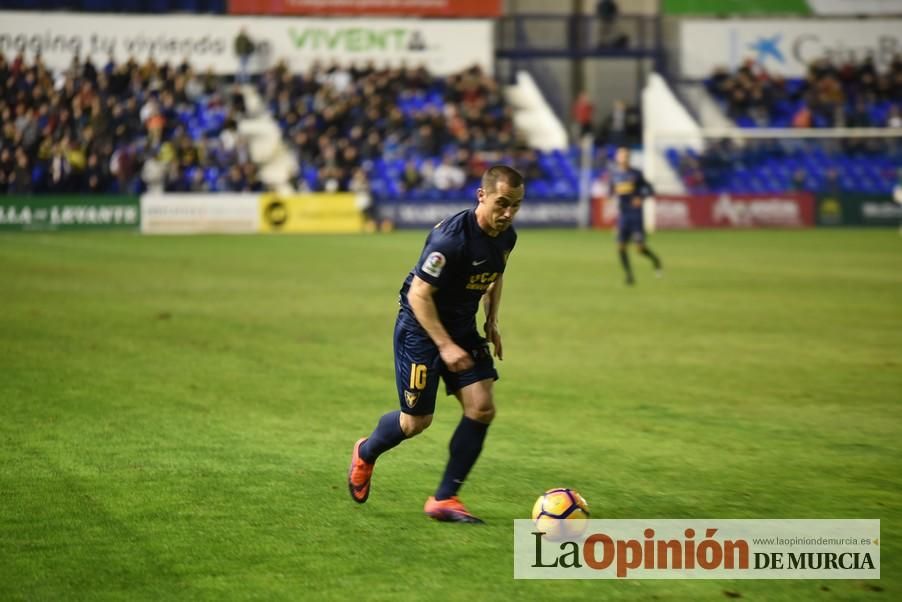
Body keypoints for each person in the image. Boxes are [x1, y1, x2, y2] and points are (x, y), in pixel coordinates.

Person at [347, 165, 525, 523]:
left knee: (482, 407)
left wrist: (491, 320)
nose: (507, 213)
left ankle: (444, 499)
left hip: (460, 326)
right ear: (482, 196)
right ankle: (366, 452)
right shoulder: (451, 240)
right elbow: (418, 294)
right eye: (501, 203)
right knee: (416, 422)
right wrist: (444, 346)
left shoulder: (506, 236)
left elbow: (494, 274)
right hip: (420, 329)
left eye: (515, 206)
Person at [608, 147, 662, 285]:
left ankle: (655, 260)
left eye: (626, 155)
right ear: (617, 158)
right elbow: (611, 191)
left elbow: (649, 189)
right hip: (623, 216)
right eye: (621, 155)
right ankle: (629, 276)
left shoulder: (636, 174)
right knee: (620, 246)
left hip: (636, 216)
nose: (623, 158)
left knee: (639, 248)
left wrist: (641, 197)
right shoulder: (614, 175)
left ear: (629, 158)